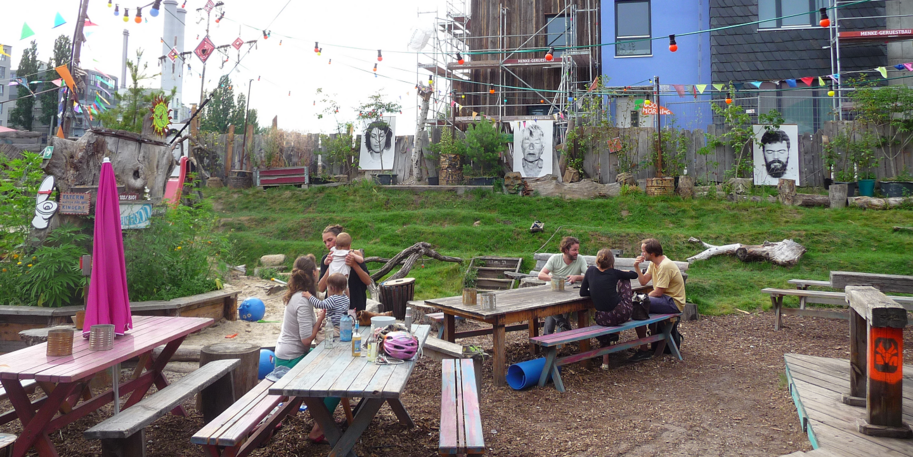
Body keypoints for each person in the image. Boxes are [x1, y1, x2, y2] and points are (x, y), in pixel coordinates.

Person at [273, 255, 334, 443]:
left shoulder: (297, 295)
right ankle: (319, 428)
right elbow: (307, 340)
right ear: (314, 273)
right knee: (336, 382)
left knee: (327, 368)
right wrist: (322, 317)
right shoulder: (303, 300)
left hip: (286, 354)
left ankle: (317, 414)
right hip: (291, 360)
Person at [579, 248, 638, 370]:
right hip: (621, 314)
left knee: (602, 316)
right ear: (612, 263)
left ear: (597, 261)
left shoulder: (590, 271)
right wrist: (623, 271)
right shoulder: (614, 272)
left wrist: (597, 293)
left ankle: (605, 362)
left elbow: (583, 292)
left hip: (603, 319)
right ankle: (614, 339)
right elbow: (634, 275)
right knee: (625, 279)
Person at [629, 238, 686, 362]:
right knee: (639, 304)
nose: (642, 254)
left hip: (673, 302)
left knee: (638, 305)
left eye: (643, 251)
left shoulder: (665, 266)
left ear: (652, 253)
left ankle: (644, 349)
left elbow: (658, 292)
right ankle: (648, 345)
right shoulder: (653, 263)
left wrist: (642, 299)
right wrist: (636, 267)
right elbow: (643, 281)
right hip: (664, 298)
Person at [538, 236, 588, 334]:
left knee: (552, 310)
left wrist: (576, 277)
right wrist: (556, 279)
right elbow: (541, 275)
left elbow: (589, 275)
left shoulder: (580, 259)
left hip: (569, 293)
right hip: (552, 291)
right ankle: (562, 324)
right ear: (565, 250)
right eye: (574, 250)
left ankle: (551, 334)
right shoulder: (555, 258)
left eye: (578, 249)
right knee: (552, 306)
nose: (577, 252)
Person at [319, 225, 372, 312]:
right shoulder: (327, 259)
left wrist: (354, 265)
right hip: (333, 309)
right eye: (325, 242)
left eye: (330, 240)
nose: (327, 244)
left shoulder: (354, 255)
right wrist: (331, 267)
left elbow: (367, 281)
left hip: (355, 307)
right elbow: (320, 288)